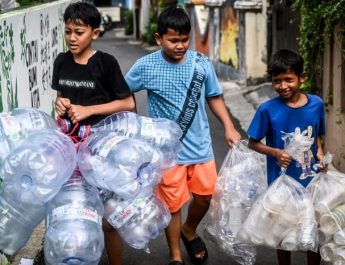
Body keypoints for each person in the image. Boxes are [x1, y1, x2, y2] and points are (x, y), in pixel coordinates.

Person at [125, 6, 241, 265]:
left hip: (200, 145)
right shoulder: (145, 66)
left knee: (204, 198)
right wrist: (135, 119)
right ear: (159, 39)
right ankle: (176, 254)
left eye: (185, 40)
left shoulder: (201, 64)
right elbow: (122, 91)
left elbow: (214, 96)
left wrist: (229, 126)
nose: (180, 45)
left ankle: (189, 229)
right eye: (173, 40)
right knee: (172, 205)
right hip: (167, 152)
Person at [51, 2, 135, 265]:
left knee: (109, 220)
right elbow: (61, 96)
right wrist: (60, 104)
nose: (72, 38)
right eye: (68, 32)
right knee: (77, 216)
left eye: (79, 32)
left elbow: (128, 103)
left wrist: (88, 110)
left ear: (95, 33)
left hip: (102, 151)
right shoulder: (61, 61)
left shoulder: (106, 63)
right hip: (71, 151)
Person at [247, 49, 326, 265]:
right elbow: (252, 142)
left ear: (302, 77)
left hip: (311, 180)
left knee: (313, 230)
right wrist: (276, 152)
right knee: (283, 231)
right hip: (282, 183)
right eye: (277, 81)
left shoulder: (316, 104)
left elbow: (317, 134)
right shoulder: (267, 110)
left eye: (289, 80)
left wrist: (319, 152)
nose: (283, 86)